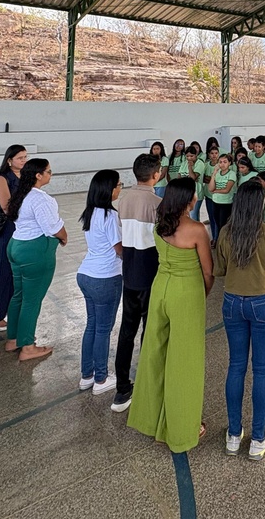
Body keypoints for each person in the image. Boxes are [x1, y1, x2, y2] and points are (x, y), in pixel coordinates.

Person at [128, 178, 213, 453]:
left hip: (160, 288)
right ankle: (181, 428)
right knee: (184, 361)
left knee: (155, 353)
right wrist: (202, 293)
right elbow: (208, 273)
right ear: (189, 200)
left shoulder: (159, 225)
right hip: (185, 291)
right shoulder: (197, 229)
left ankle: (150, 419)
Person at [214, 180, 265, 460]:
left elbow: (220, 270)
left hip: (232, 302)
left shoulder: (225, 233)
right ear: (261, 206)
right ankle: (258, 438)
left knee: (236, 366)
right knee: (262, 370)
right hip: (263, 303)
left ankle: (234, 435)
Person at [113, 153, 162, 413]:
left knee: (127, 331)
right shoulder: (157, 203)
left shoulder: (123, 199)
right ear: (156, 174)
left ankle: (122, 388)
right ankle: (146, 382)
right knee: (150, 330)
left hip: (129, 272)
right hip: (150, 273)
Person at [5, 158, 67, 361]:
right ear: (38, 175)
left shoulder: (21, 195)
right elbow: (53, 227)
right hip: (33, 252)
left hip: (16, 246)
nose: (50, 174)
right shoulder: (41, 199)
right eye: (48, 171)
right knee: (32, 301)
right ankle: (28, 347)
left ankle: (13, 339)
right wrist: (64, 237)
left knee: (19, 296)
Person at [76, 169, 123, 396]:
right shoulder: (110, 216)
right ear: (108, 189)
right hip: (105, 278)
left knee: (92, 325)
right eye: (119, 185)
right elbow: (119, 249)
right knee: (103, 329)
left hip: (85, 274)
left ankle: (87, 375)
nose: (120, 189)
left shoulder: (90, 212)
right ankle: (101, 378)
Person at [0, 144, 27, 336]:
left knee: (15, 272)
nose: (23, 161)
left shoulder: (24, 176)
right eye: (20, 158)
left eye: (25, 157)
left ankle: (9, 311)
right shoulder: (2, 179)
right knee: (3, 271)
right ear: (9, 160)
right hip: (7, 229)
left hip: (21, 228)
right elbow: (7, 207)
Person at [208, 153, 238, 238]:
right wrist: (214, 173)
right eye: (220, 162)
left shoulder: (231, 174)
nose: (222, 164)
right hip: (215, 201)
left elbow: (226, 190)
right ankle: (220, 242)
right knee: (218, 223)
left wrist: (215, 190)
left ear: (229, 163)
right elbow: (210, 188)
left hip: (226, 203)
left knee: (223, 225)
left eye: (225, 162)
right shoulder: (217, 173)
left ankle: (225, 242)